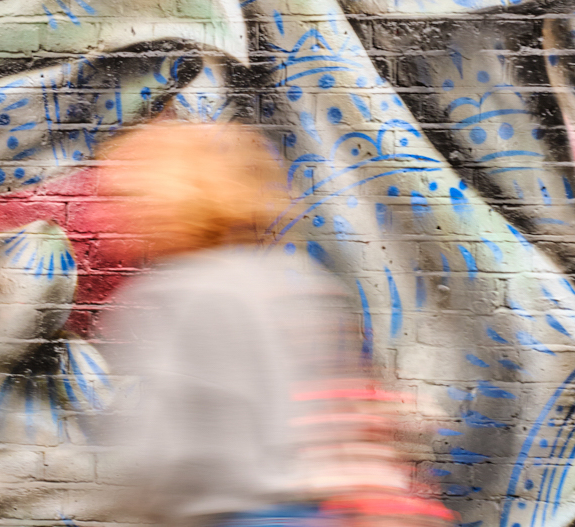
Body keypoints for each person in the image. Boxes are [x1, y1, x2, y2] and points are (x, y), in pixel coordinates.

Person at [88, 119, 452, 527]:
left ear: (167, 199)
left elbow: (157, 453)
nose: (104, 215)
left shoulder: (170, 295)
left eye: (123, 196)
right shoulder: (299, 279)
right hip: (322, 514)